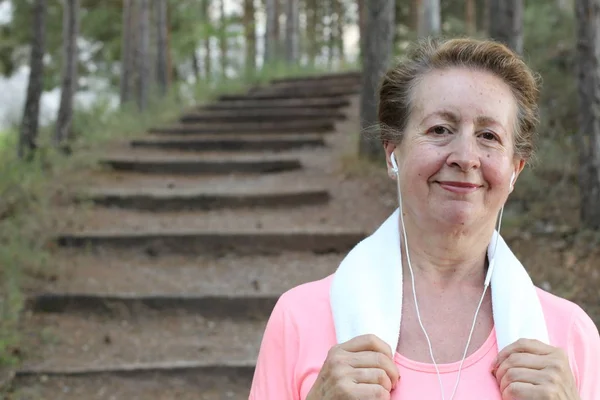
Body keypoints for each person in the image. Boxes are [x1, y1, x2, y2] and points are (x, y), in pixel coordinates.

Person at [248, 38, 600, 400]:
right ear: (392, 153)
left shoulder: (570, 335)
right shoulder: (300, 318)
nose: (466, 156)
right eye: (440, 130)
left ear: (515, 169)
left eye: (489, 136)